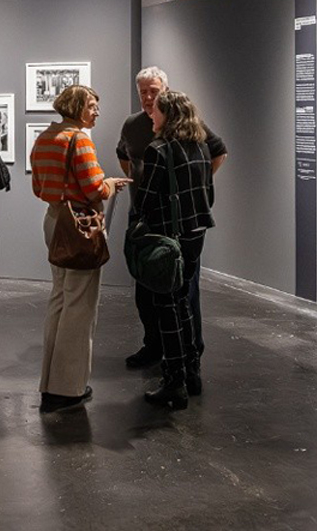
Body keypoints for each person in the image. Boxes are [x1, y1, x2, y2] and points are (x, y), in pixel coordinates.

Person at [116, 66, 226, 373]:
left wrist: (183, 189)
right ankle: (162, 350)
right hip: (154, 217)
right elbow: (124, 156)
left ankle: (186, 356)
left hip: (169, 221)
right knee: (149, 288)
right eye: (144, 92)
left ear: (166, 92)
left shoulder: (185, 135)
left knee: (181, 292)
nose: (149, 98)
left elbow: (219, 153)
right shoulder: (135, 126)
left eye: (154, 91)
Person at [31, 85, 129, 413]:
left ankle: (50, 384)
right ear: (76, 107)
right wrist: (111, 185)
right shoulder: (80, 139)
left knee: (59, 299)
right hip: (80, 224)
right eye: (91, 105)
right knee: (79, 306)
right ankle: (68, 389)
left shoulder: (45, 137)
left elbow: (38, 186)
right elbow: (93, 188)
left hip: (53, 220)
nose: (97, 111)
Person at [134, 91, 215, 409]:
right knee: (184, 304)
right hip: (196, 232)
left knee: (166, 305)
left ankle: (175, 382)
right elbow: (208, 190)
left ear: (169, 115)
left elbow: (147, 199)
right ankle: (192, 374)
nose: (151, 115)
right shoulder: (201, 146)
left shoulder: (159, 150)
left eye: (156, 111)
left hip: (169, 236)